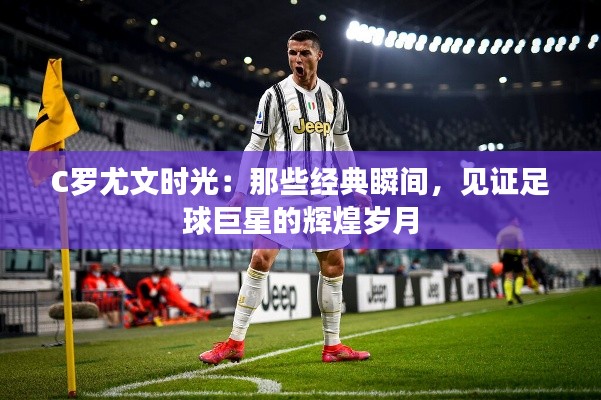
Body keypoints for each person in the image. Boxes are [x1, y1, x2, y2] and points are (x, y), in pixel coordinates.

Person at [199, 30, 371, 365]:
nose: (297, 59)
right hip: (285, 191)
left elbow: (342, 144)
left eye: (304, 53)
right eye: (292, 53)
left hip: (324, 193)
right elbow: (255, 145)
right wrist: (241, 191)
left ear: (319, 55)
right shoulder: (274, 96)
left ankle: (333, 346)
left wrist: (355, 186)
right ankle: (234, 342)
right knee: (260, 258)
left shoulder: (334, 97)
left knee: (334, 265)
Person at [496, 218, 526, 305]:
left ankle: (509, 298)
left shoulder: (502, 232)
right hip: (515, 254)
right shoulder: (517, 231)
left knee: (508, 276)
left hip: (506, 255)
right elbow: (522, 243)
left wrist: (500, 258)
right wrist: (524, 255)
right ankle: (517, 292)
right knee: (519, 274)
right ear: (512, 221)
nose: (517, 222)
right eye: (516, 220)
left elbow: (498, 247)